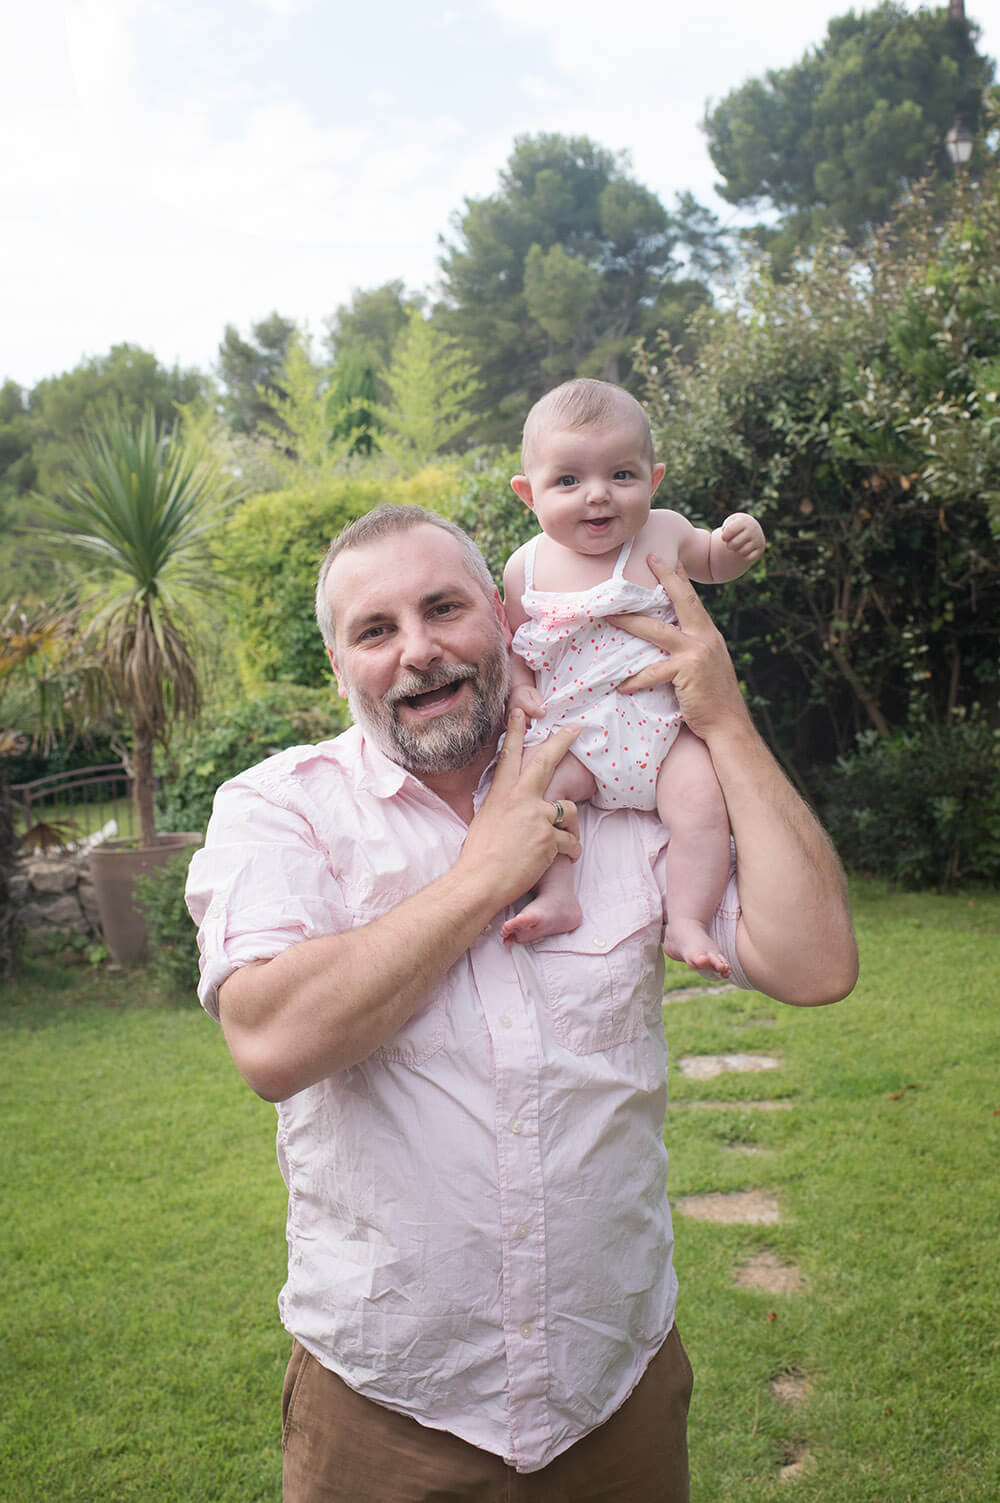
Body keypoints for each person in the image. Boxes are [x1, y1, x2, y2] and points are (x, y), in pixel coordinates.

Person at [185, 504, 857, 1503]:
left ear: (505, 617)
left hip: (613, 1397)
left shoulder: (623, 788)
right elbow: (272, 1040)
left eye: (444, 608)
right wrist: (483, 875)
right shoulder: (281, 808)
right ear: (339, 666)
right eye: (375, 631)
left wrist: (723, 722)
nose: (418, 651)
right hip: (388, 1414)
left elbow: (813, 966)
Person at [501, 378, 765, 969]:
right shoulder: (526, 566)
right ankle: (557, 894)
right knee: (539, 798)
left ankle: (689, 921)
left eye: (622, 475)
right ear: (529, 494)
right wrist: (520, 684)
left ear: (654, 480)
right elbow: (517, 643)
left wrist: (737, 542)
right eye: (568, 481)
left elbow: (715, 563)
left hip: (665, 728)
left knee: (702, 809)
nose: (597, 495)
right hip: (577, 737)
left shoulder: (665, 531)